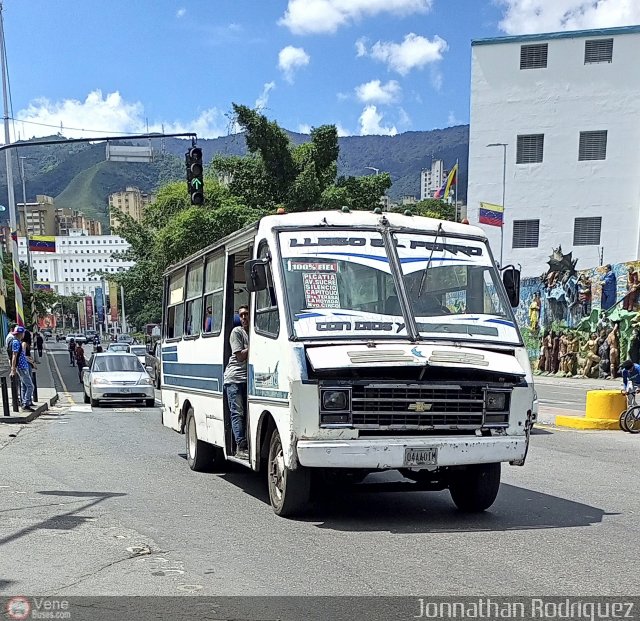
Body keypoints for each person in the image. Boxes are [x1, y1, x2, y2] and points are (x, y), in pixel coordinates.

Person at [223, 305, 250, 458]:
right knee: (237, 413)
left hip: (248, 379)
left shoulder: (253, 332)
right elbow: (240, 356)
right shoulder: (237, 332)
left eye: (246, 314)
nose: (244, 318)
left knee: (247, 413)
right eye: (241, 315)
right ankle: (240, 446)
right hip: (234, 379)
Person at [10, 326, 35, 411]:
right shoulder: (16, 342)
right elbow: (14, 356)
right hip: (22, 367)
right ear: (21, 334)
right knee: (30, 386)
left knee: (24, 386)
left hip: (23, 366)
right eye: (23, 333)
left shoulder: (18, 342)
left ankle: (25, 403)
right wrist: (13, 369)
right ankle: (26, 403)